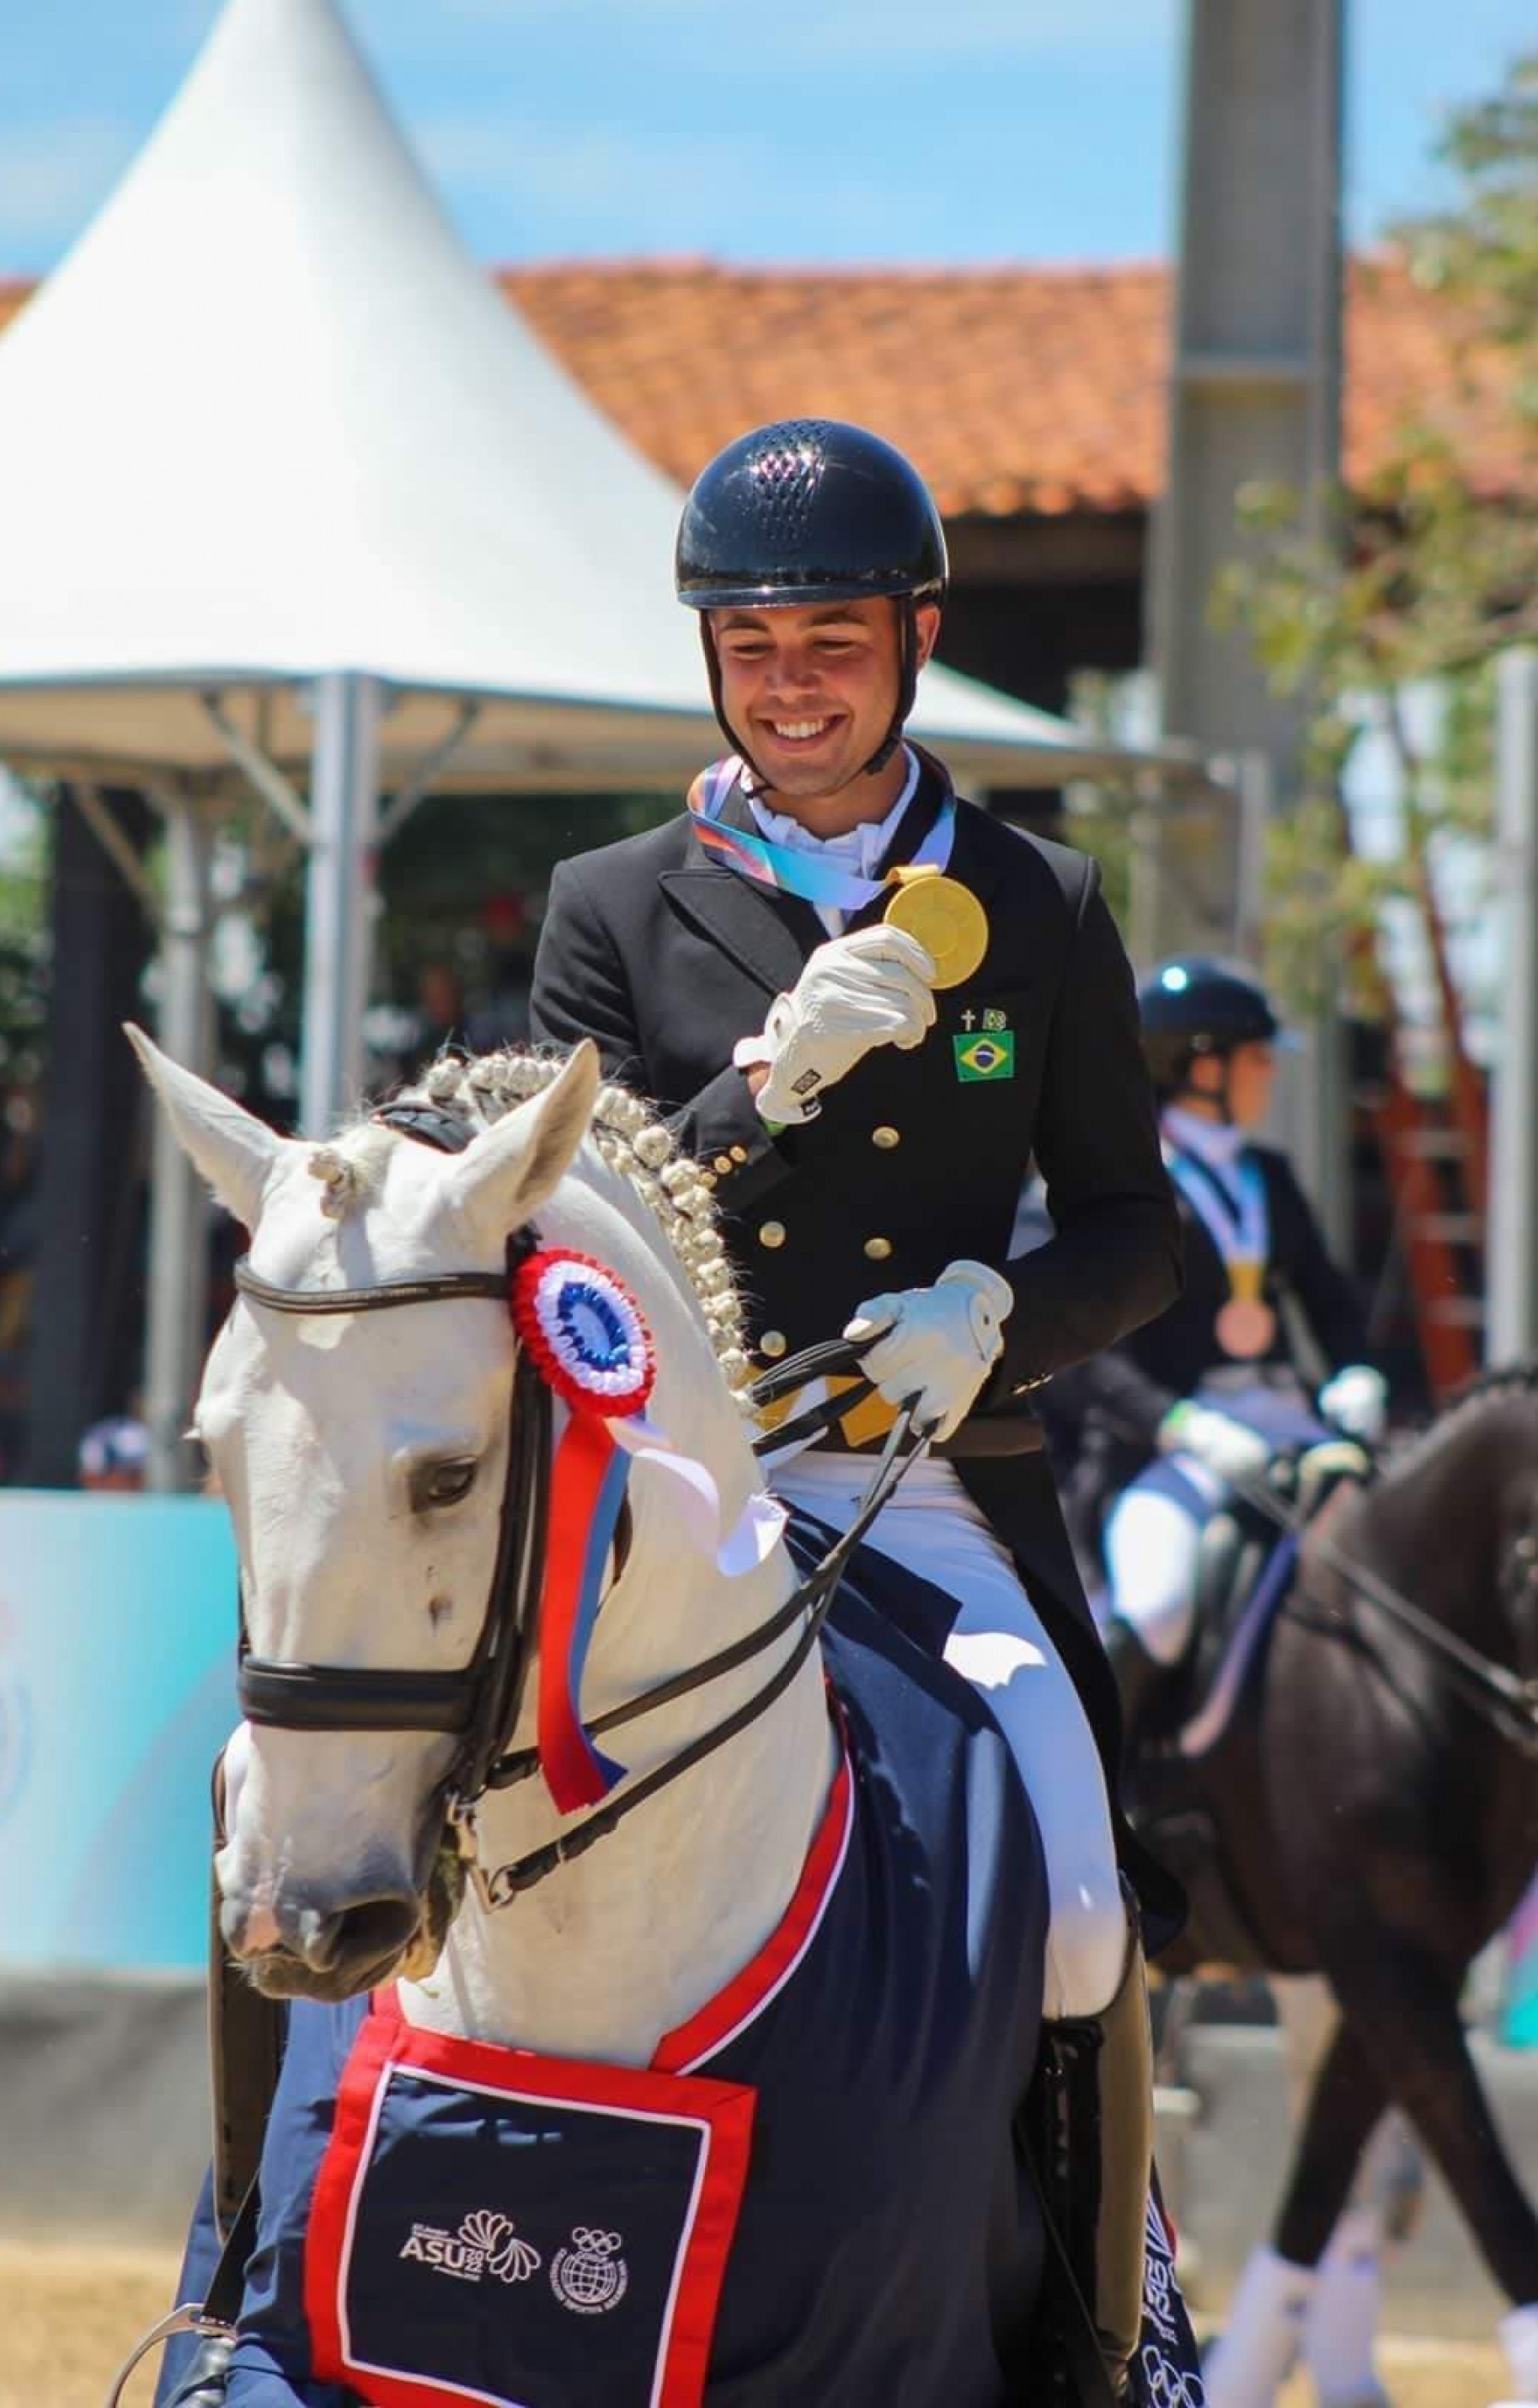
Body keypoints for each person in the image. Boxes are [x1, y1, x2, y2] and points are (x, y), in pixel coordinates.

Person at [531, 417, 1185, 2390]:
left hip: (923, 1479)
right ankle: (263, 2247)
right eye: (750, 644)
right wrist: (763, 1087)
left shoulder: (1039, 898)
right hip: (684, 1474)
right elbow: (567, 1225)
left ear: (914, 638)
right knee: (367, 1786)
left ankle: (1105, 2330)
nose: (789, 680)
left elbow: (1136, 1232)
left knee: (1079, 1900)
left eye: (830, 638)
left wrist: (997, 1322)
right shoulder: (609, 902)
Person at [1088, 957, 1388, 1742]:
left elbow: (1325, 1297)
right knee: (1158, 1605)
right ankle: (1118, 1783)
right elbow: (1089, 1355)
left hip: (1287, 1418)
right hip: (1174, 1445)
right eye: (1257, 1059)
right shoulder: (1125, 1183)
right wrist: (1178, 1424)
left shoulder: (1269, 1176)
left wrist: (1355, 1371)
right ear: (1200, 1065)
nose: (1270, 1076)